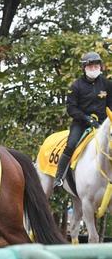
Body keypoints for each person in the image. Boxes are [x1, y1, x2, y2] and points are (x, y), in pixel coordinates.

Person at [53, 51, 112, 188]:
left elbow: (110, 104)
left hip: (103, 123)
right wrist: (86, 119)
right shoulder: (76, 86)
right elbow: (71, 108)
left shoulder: (107, 84)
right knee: (71, 144)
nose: (94, 69)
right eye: (90, 66)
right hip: (81, 123)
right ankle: (59, 176)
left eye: (96, 66)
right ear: (84, 68)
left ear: (100, 67)